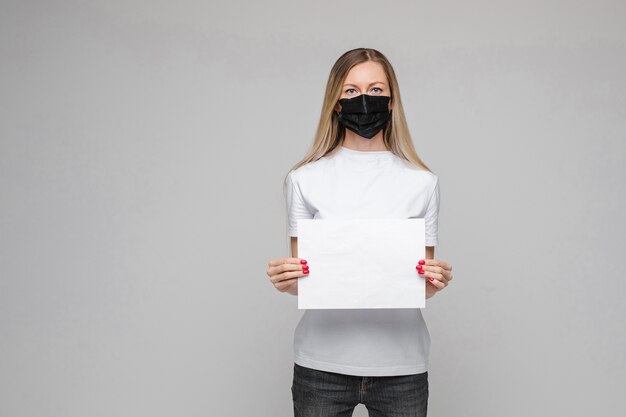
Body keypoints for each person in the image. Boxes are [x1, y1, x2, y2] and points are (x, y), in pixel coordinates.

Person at [266, 48, 454, 417]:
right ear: (335, 102)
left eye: (375, 89)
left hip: (402, 365)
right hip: (321, 364)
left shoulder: (423, 182)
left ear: (392, 100)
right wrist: (287, 280)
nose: (364, 99)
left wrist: (435, 281)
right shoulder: (304, 179)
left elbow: (421, 282)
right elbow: (306, 276)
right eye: (351, 91)